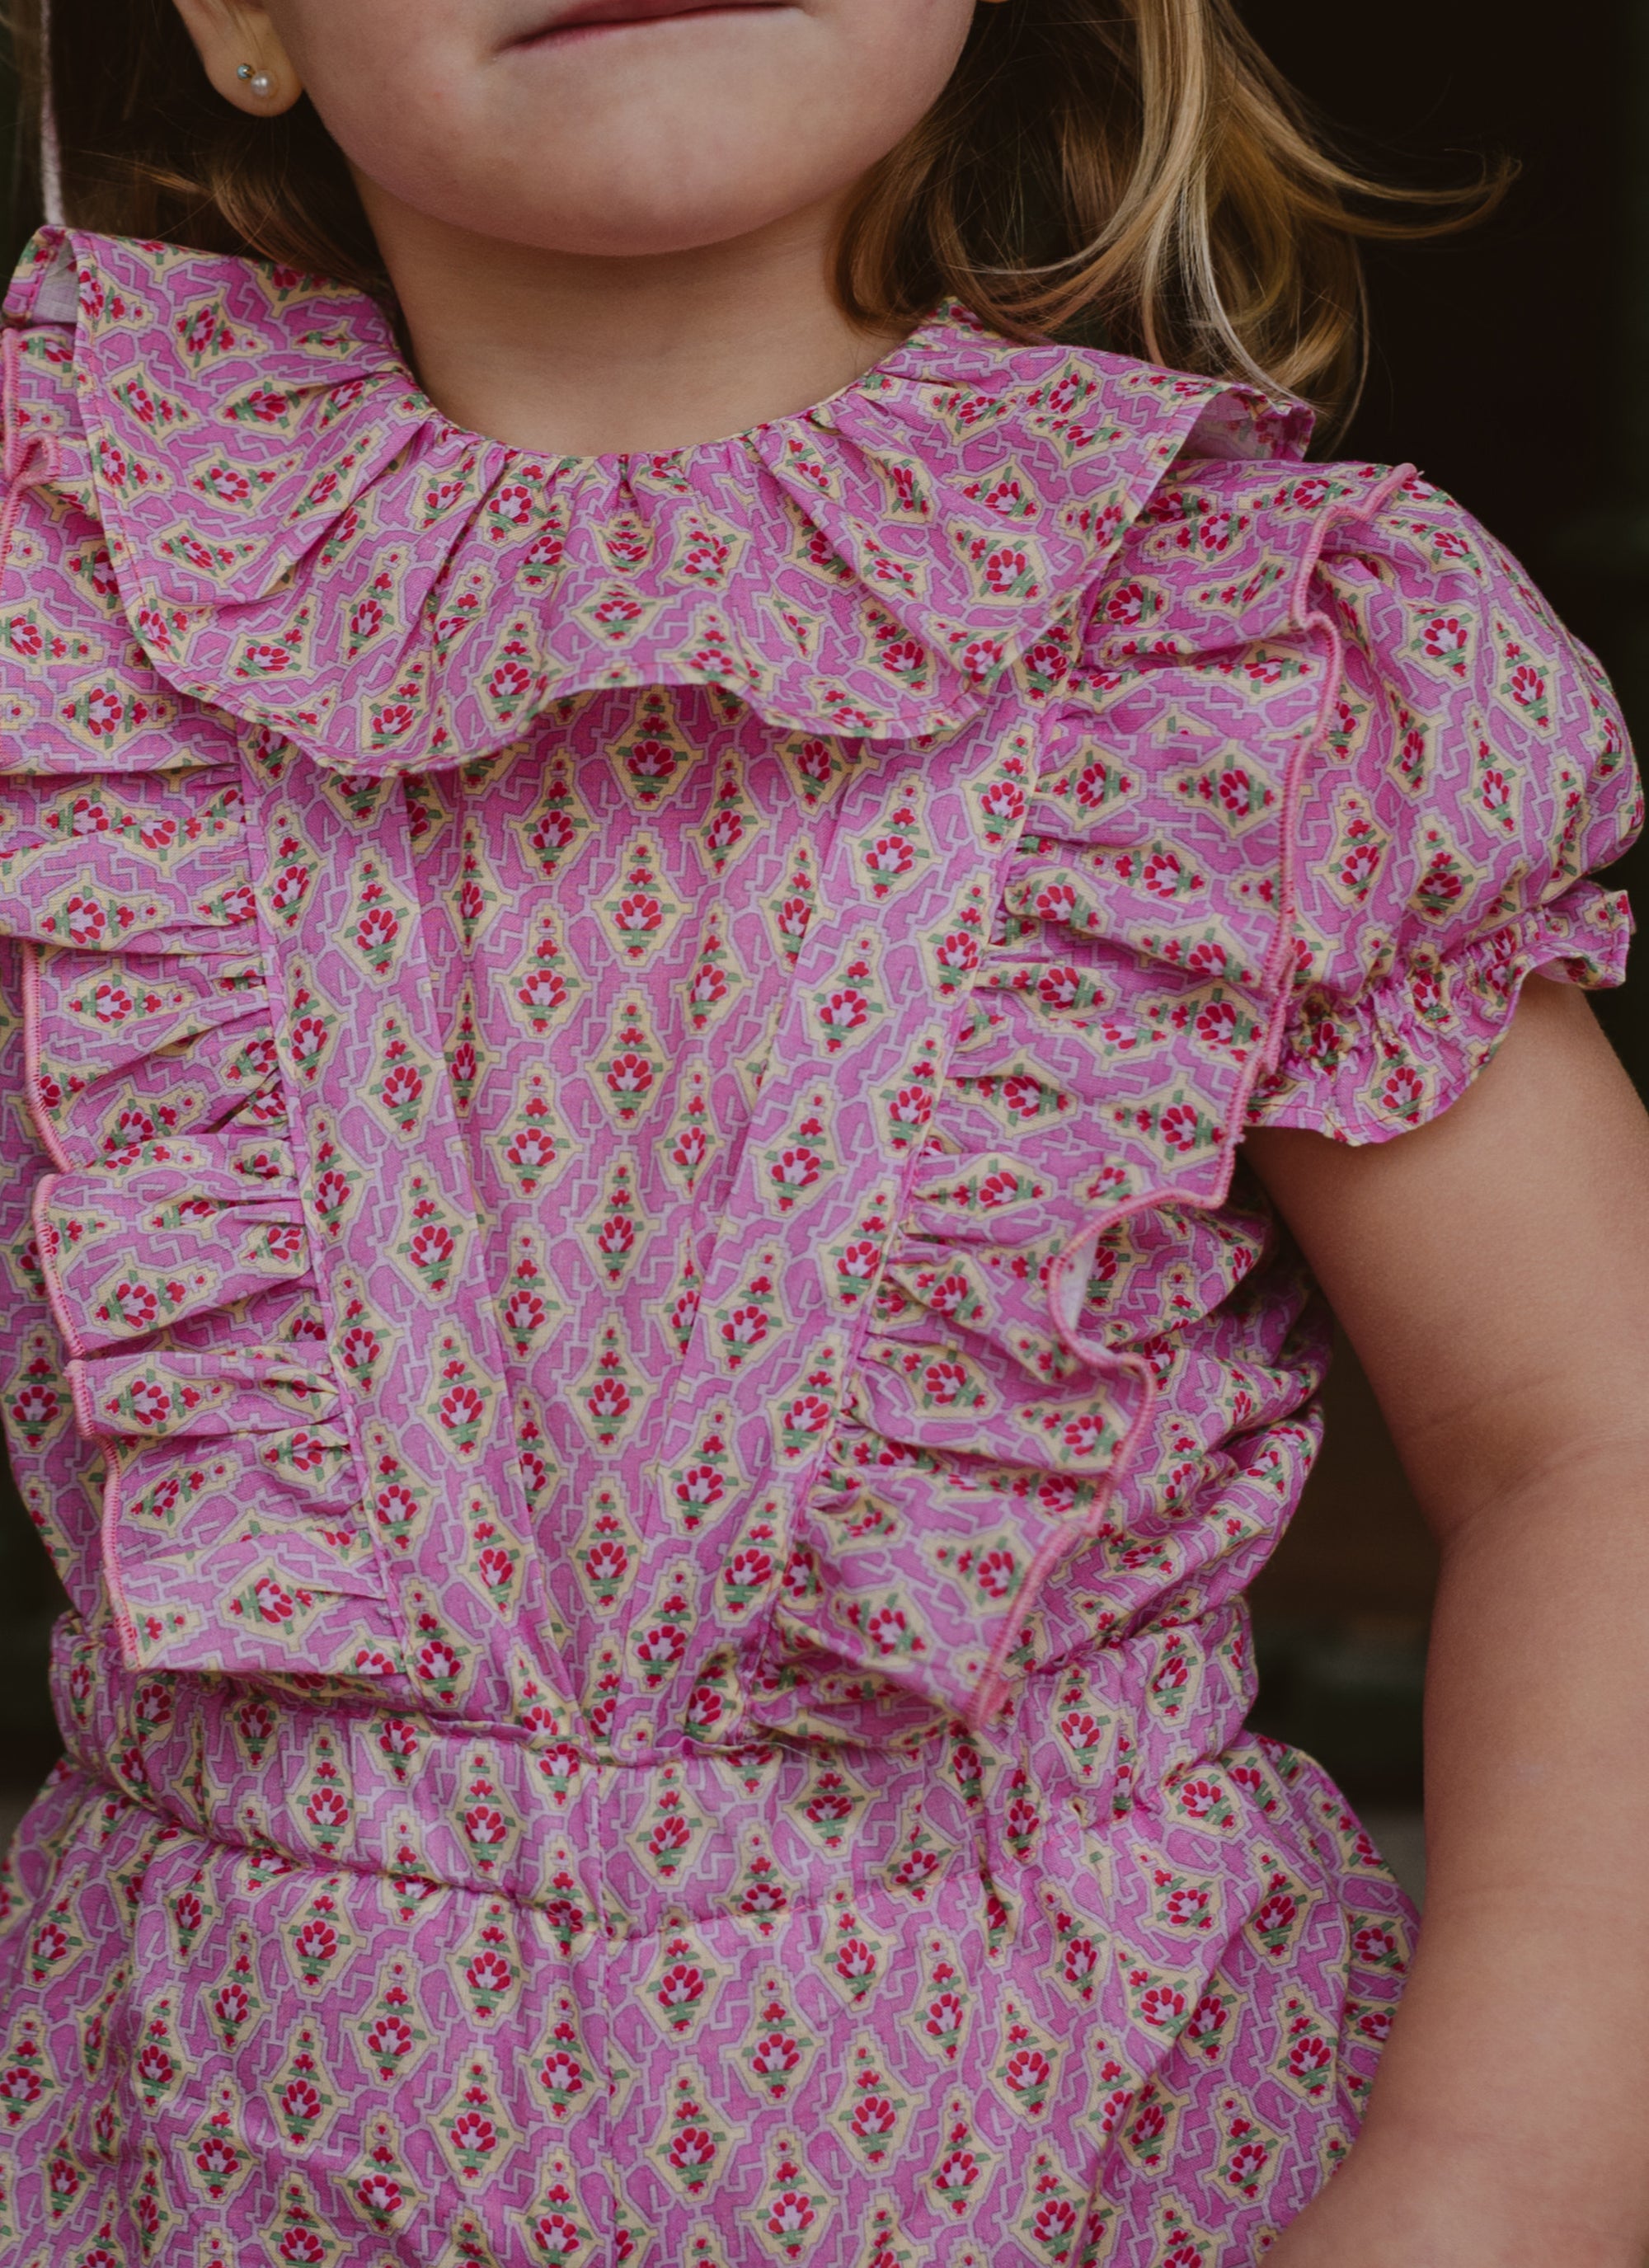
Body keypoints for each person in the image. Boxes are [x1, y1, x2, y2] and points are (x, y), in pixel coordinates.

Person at [0, 0, 1642, 2260]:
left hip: (1110, 2167)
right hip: (195, 2154)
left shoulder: (1263, 647)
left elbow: (1590, 1439)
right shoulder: (57, 613)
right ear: (236, 14)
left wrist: (1506, 2180)